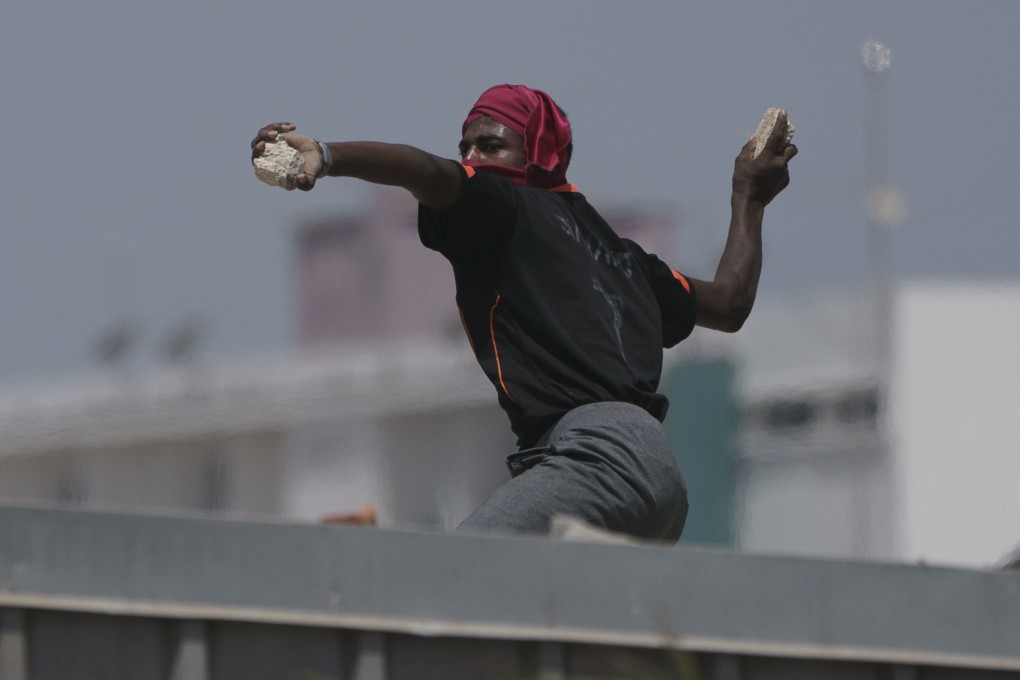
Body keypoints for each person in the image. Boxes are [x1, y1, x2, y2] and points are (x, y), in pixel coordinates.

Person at [250, 84, 797, 541]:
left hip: (597, 461)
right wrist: (748, 197)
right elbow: (729, 303)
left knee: (447, 586)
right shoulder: (625, 259)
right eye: (466, 147)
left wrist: (328, 154)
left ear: (540, 154)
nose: (473, 160)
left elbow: (427, 171)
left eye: (491, 145)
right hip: (658, 484)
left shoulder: (502, 205)